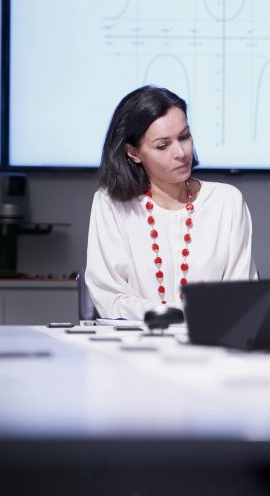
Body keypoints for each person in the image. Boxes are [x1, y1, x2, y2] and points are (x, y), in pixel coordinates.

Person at [86, 86, 257, 320]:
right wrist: (171, 315)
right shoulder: (111, 204)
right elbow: (110, 297)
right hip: (135, 349)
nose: (181, 152)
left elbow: (242, 295)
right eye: (162, 146)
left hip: (212, 347)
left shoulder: (226, 202)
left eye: (184, 137)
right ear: (133, 153)